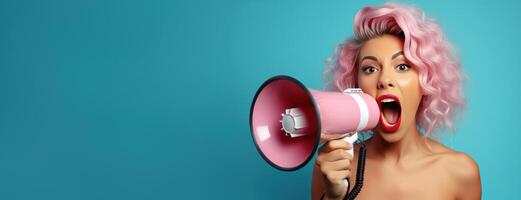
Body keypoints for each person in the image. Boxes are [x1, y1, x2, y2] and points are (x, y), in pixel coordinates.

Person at [311, 3, 482, 200]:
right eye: (370, 69)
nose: (384, 80)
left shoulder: (460, 172)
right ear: (356, 84)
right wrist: (334, 197)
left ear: (426, 80)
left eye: (402, 66)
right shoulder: (334, 165)